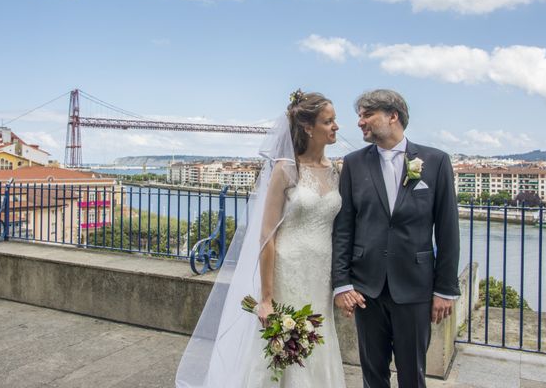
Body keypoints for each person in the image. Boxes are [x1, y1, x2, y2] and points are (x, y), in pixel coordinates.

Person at [176, 90, 346, 388]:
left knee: (318, 339)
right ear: (308, 127)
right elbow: (266, 236)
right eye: (329, 121)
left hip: (321, 274)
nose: (336, 127)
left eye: (335, 121)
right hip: (287, 270)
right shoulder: (285, 169)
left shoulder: (337, 172)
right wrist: (266, 298)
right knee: (280, 351)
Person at [332, 89, 460, 388]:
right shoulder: (353, 163)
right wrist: (341, 283)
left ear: (393, 116)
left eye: (367, 115)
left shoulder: (436, 161)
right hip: (367, 289)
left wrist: (445, 289)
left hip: (415, 287)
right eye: (359, 116)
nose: (360, 122)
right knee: (372, 374)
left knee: (412, 375)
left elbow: (447, 229)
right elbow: (344, 228)